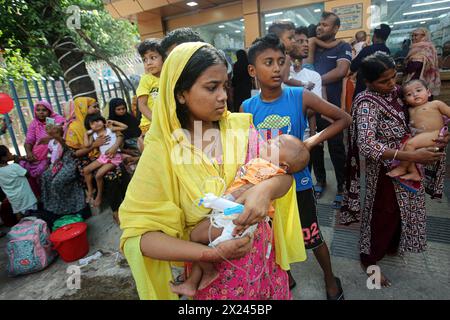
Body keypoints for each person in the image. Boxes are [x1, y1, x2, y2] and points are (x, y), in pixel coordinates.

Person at [119, 42, 308, 300]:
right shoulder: (162, 151)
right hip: (216, 282)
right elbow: (139, 237)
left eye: (224, 86)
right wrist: (210, 255)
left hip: (262, 263)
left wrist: (265, 190)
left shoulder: (241, 129)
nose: (223, 96)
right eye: (211, 87)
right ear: (181, 93)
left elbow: (284, 174)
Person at [241, 34, 352, 300]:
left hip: (299, 184)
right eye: (268, 62)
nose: (278, 68)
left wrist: (310, 142)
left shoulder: (299, 96)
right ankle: (284, 275)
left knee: (312, 235)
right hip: (266, 187)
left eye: (282, 61)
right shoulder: (247, 107)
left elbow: (343, 118)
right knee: (273, 236)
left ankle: (329, 278)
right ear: (252, 70)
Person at [340, 52, 449, 287]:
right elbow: (366, 144)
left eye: (393, 77)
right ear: (368, 82)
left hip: (411, 162)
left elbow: (428, 109)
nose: (392, 84)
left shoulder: (398, 93)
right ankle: (369, 259)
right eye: (384, 81)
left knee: (402, 211)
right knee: (382, 213)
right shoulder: (367, 103)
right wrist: (410, 154)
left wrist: (439, 132)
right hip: (384, 170)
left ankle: (390, 245)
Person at [170, 134, 309, 297]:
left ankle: (206, 273)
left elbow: (243, 191)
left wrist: (219, 201)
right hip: (236, 219)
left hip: (233, 218)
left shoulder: (266, 168)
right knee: (203, 243)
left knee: (195, 236)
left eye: (277, 144)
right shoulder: (267, 166)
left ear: (284, 164)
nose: (270, 140)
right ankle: (192, 282)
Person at [310, 11, 352, 208]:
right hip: (311, 108)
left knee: (336, 149)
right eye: (319, 24)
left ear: (336, 28)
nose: (320, 27)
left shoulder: (344, 46)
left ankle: (342, 186)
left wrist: (314, 81)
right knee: (315, 147)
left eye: (325, 25)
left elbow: (341, 71)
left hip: (333, 109)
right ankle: (320, 181)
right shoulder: (312, 47)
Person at [65, 97, 129, 224]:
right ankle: (115, 209)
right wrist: (94, 144)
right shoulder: (75, 128)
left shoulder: (102, 124)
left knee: (117, 172)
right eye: (93, 106)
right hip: (87, 159)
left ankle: (125, 205)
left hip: (108, 156)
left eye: (96, 106)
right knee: (108, 175)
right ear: (83, 108)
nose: (97, 109)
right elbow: (75, 153)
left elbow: (119, 135)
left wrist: (115, 146)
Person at [386, 80, 450, 181]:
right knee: (404, 147)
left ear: (428, 92)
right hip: (419, 137)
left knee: (410, 145)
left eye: (419, 90)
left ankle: (402, 168)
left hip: (435, 135)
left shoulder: (435, 104)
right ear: (405, 100)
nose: (415, 95)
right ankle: (414, 172)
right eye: (409, 94)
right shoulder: (410, 110)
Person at [40, 125, 86, 217]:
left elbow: (65, 146)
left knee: (57, 182)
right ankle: (53, 206)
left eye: (56, 132)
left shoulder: (65, 140)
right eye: (53, 133)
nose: (54, 134)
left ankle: (70, 207)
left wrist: (56, 137)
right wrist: (50, 163)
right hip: (59, 164)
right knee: (45, 176)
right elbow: (50, 154)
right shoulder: (52, 142)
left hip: (70, 164)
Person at [20, 100, 65, 194]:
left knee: (43, 171)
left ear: (49, 110)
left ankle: (47, 195)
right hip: (36, 154)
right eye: (38, 110)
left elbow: (61, 135)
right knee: (23, 167)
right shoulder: (34, 123)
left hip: (52, 154)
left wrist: (49, 138)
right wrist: (29, 153)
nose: (41, 112)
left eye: (44, 110)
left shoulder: (57, 120)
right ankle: (36, 195)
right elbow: (29, 140)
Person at [82, 114, 127, 207]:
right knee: (86, 170)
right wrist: (86, 134)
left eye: (98, 121)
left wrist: (113, 122)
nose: (96, 124)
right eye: (92, 123)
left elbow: (124, 127)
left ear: (103, 121)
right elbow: (86, 145)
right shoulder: (94, 135)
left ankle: (99, 195)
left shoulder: (110, 129)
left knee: (98, 175)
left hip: (114, 157)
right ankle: (90, 191)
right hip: (103, 157)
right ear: (89, 126)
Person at [351, 24, 391, 98]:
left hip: (364, 90)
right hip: (380, 90)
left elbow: (353, 67)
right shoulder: (387, 51)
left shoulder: (367, 50)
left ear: (374, 35)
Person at [0, 146, 37, 221]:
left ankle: (20, 230)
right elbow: (28, 175)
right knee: (33, 216)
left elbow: (9, 172)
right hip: (26, 198)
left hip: (14, 199)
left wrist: (16, 162)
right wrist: (18, 161)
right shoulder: (14, 167)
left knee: (19, 215)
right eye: (9, 153)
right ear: (4, 158)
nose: (11, 153)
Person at [136, 39, 164, 136]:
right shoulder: (146, 80)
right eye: (145, 59)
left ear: (164, 58)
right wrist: (157, 122)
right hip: (150, 124)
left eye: (153, 57)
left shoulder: (169, 77)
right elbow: (142, 105)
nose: (148, 63)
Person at [403, 28, 440, 98]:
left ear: (424, 36)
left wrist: (406, 67)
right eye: (412, 36)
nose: (413, 38)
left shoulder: (425, 48)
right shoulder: (416, 48)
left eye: (416, 35)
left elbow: (414, 66)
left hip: (419, 83)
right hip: (420, 83)